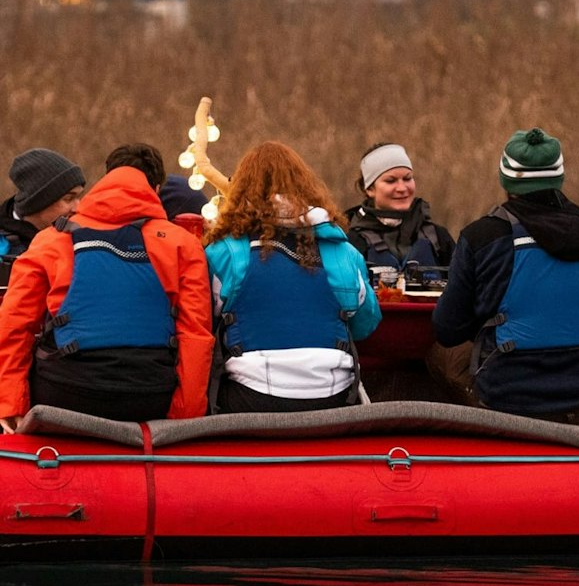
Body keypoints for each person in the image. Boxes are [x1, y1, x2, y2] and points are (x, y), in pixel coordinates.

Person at [0, 143, 214, 430]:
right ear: (157, 190)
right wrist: (183, 419)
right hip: (150, 394)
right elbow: (195, 335)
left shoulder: (51, 239)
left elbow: (14, 324)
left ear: (105, 180)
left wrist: (11, 402)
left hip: (66, 393)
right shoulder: (182, 243)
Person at [433, 127, 579, 424]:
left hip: (509, 404)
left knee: (435, 352)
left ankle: (449, 443)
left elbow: (447, 330)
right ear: (559, 177)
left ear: (506, 180)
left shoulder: (480, 237)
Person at [204, 141, 381, 413]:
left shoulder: (223, 251)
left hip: (251, 396)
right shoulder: (341, 249)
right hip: (333, 396)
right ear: (305, 186)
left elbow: (203, 322)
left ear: (239, 189)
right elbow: (365, 323)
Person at [346, 143, 455, 279]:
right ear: (369, 189)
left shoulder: (437, 238)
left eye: (407, 178)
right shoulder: (349, 241)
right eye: (391, 181)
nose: (402, 188)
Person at [0, 149, 85, 287]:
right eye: (69, 198)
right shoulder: (4, 247)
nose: (77, 207)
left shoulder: (83, 238)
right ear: (38, 204)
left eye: (78, 197)